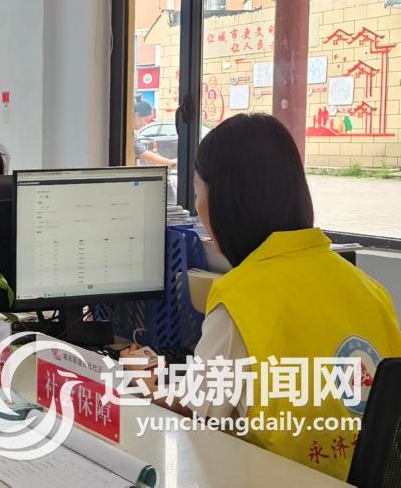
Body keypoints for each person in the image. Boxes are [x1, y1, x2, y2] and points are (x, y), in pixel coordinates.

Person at [148, 113, 401, 481]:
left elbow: (196, 415)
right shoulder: (371, 289)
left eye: (198, 191)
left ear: (223, 202)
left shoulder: (240, 300)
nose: (199, 207)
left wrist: (149, 388)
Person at [133, 98, 176, 168]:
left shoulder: (132, 133)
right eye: (145, 120)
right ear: (136, 115)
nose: (145, 124)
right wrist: (170, 163)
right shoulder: (128, 134)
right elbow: (143, 153)